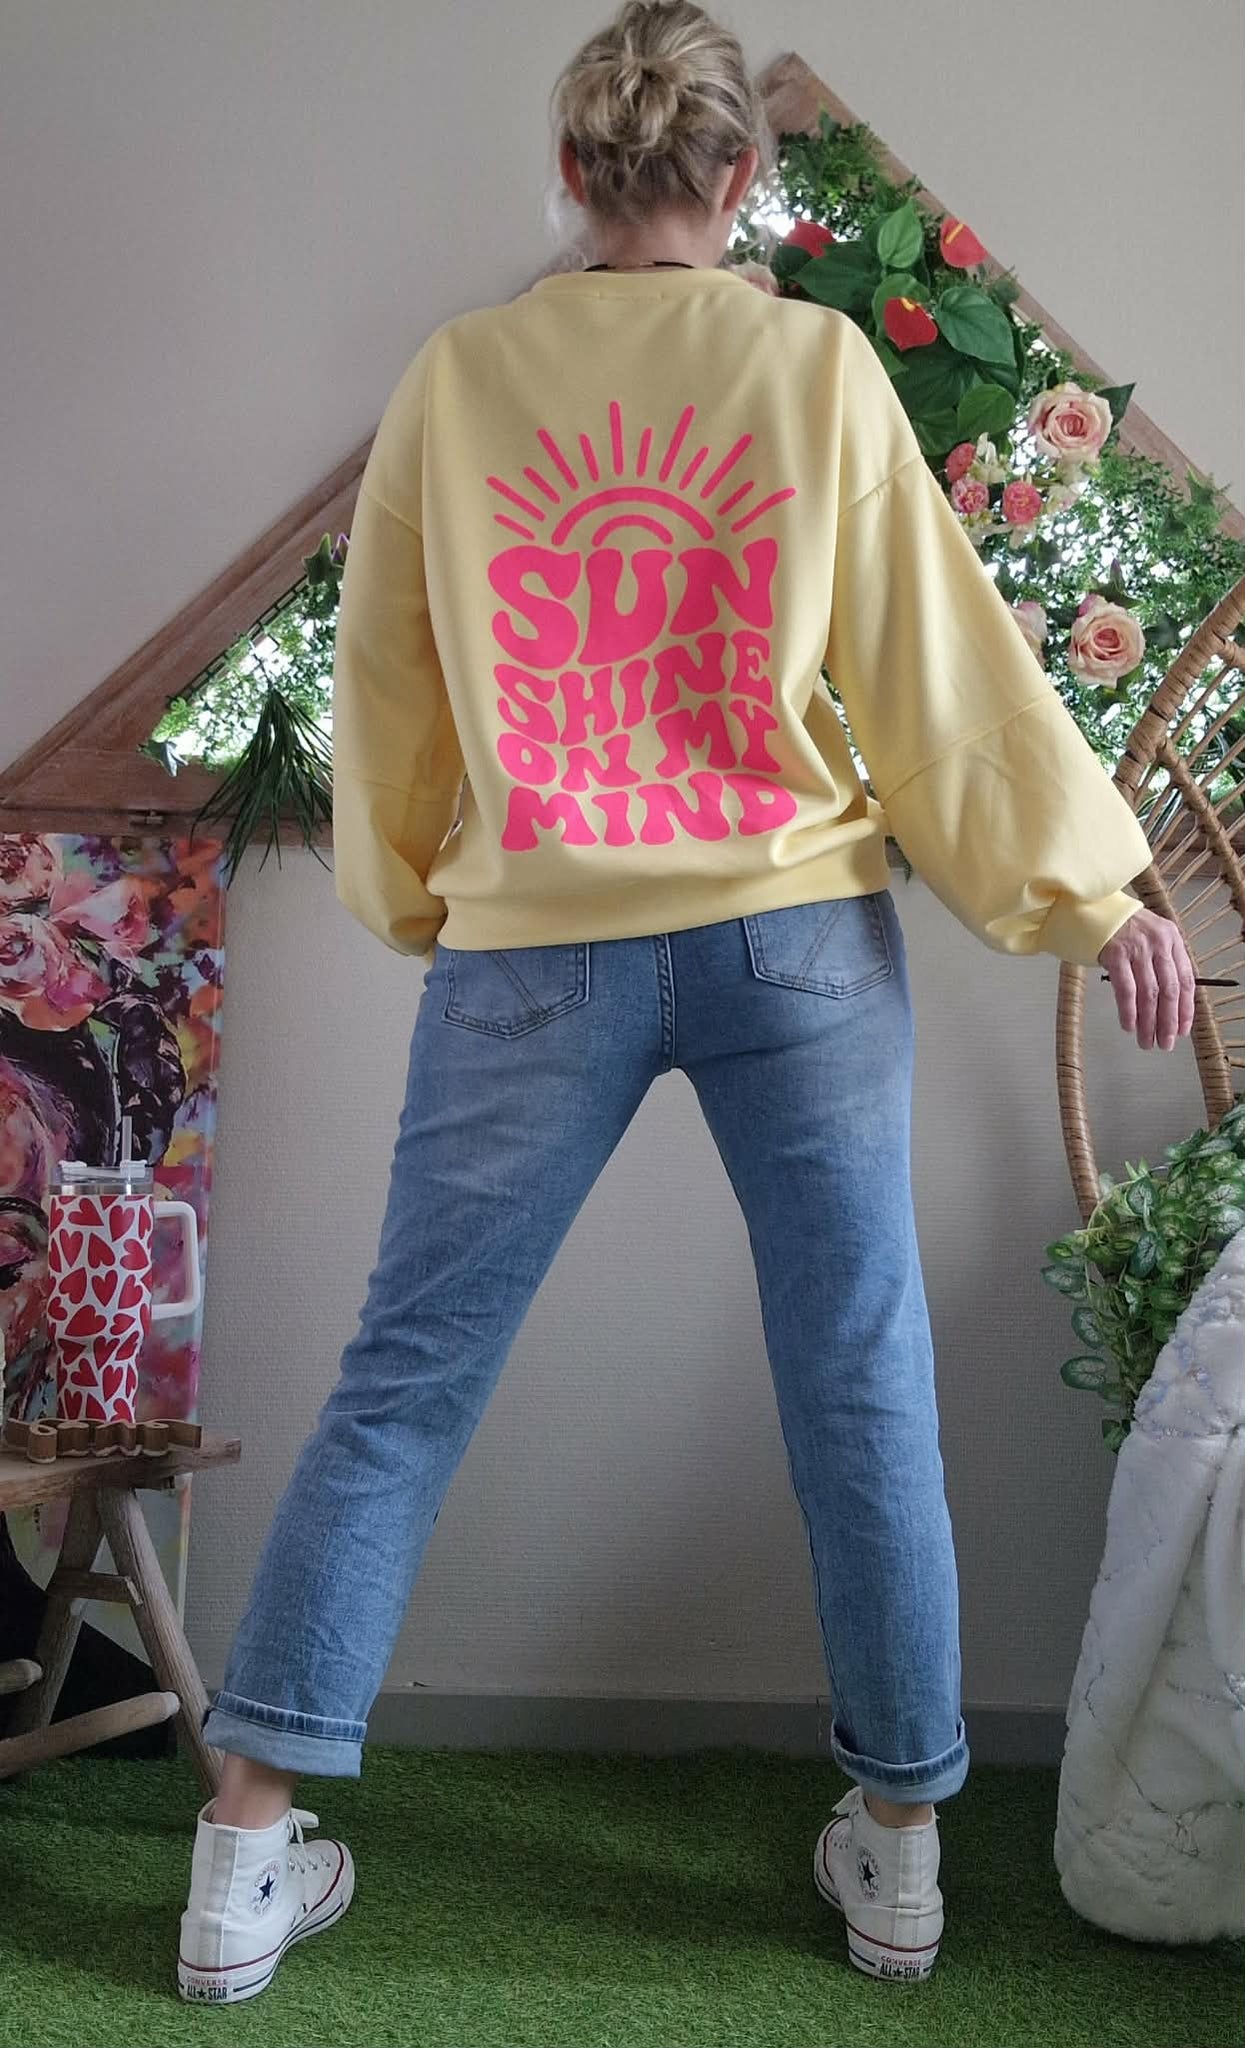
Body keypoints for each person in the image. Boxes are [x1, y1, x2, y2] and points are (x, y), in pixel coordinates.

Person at [176, 0, 1196, 2005]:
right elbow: (936, 670)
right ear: (740, 180)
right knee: (857, 1373)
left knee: (404, 1374)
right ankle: (899, 1853)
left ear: (572, 172)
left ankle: (238, 1858)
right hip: (792, 930)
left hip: (531, 939)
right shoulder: (811, 368)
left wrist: (414, 891)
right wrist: (1084, 891)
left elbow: (388, 676)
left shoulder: (459, 379)